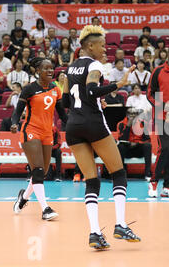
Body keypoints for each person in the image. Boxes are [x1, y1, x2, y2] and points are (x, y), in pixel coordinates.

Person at [61, 25, 140, 249]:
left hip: (73, 126)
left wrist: (93, 99)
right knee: (118, 173)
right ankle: (120, 225)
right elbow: (92, 91)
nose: (105, 49)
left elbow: (65, 103)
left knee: (92, 180)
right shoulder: (94, 65)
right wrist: (119, 85)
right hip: (93, 124)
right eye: (102, 45)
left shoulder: (71, 68)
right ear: (89, 46)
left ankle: (95, 232)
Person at [11, 57, 68, 221]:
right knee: (38, 170)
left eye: (52, 69)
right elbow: (17, 112)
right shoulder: (29, 89)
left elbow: (62, 114)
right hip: (31, 130)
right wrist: (14, 124)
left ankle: (23, 198)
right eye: (46, 69)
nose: (50, 71)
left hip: (47, 132)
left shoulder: (56, 89)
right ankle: (45, 209)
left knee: (41, 173)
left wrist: (73, 125)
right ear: (38, 71)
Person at [147, 46, 169, 198]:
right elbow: (149, 94)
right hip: (162, 118)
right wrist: (162, 106)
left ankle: (167, 186)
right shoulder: (158, 71)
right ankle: (153, 182)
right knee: (165, 149)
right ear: (167, 56)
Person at [117, 108, 152, 180]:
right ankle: (122, 174)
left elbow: (147, 139)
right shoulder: (121, 124)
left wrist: (137, 143)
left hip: (138, 149)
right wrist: (128, 125)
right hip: (127, 150)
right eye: (130, 113)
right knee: (120, 146)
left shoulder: (142, 124)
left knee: (148, 145)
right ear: (127, 115)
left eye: (134, 113)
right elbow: (121, 139)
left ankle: (147, 174)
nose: (132, 115)